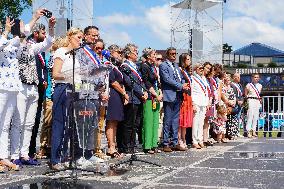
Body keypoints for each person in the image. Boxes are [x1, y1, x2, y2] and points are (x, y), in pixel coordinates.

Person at [0, 9, 52, 170]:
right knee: (14, 123)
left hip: (21, 87)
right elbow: (15, 38)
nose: (25, 27)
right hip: (10, 87)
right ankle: (12, 155)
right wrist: (8, 30)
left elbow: (47, 43)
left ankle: (15, 155)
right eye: (21, 24)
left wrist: (47, 25)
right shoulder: (10, 43)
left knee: (19, 124)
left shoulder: (24, 44)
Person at [50, 27, 84, 170]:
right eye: (78, 38)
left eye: (82, 38)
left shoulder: (75, 56)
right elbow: (55, 74)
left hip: (73, 90)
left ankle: (64, 156)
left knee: (70, 125)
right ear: (70, 36)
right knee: (60, 124)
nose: (80, 41)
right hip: (62, 89)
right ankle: (55, 159)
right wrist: (70, 76)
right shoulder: (61, 51)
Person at [117, 43, 148, 154]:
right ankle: (126, 146)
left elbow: (140, 81)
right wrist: (141, 93)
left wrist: (144, 92)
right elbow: (129, 82)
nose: (137, 53)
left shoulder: (135, 66)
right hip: (132, 97)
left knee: (136, 124)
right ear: (129, 54)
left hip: (139, 97)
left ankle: (132, 144)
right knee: (129, 123)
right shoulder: (125, 66)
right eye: (135, 51)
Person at [159, 47, 189, 152]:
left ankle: (175, 142)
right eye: (171, 53)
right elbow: (167, 79)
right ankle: (165, 143)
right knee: (168, 120)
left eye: (175, 53)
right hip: (169, 95)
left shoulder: (176, 65)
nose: (173, 55)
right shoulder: (163, 65)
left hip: (178, 95)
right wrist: (181, 86)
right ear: (167, 54)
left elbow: (180, 78)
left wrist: (184, 84)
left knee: (176, 120)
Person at [105, 44, 128, 158]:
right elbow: (113, 82)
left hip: (118, 96)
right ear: (111, 53)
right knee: (111, 120)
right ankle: (111, 147)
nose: (120, 54)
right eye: (118, 52)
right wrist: (124, 93)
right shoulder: (109, 65)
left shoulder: (116, 66)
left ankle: (113, 146)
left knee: (115, 122)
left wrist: (123, 94)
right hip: (113, 94)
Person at [140, 48, 163, 154]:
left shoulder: (153, 67)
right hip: (149, 95)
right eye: (154, 55)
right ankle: (147, 145)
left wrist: (160, 93)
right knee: (148, 121)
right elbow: (147, 82)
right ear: (148, 56)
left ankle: (154, 144)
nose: (155, 56)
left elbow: (158, 82)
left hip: (156, 94)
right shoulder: (144, 66)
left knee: (155, 121)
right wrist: (155, 94)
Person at [191, 63, 209, 149]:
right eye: (200, 68)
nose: (201, 70)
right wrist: (193, 103)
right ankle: (195, 141)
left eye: (202, 68)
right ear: (195, 69)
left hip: (203, 103)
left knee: (201, 123)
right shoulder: (193, 78)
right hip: (196, 102)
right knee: (196, 122)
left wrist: (207, 102)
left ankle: (200, 140)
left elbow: (206, 91)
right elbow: (191, 92)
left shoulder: (204, 78)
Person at [178, 53, 193, 149]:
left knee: (186, 121)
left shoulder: (187, 71)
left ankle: (184, 139)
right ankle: (179, 140)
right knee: (181, 120)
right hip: (182, 96)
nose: (189, 61)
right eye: (188, 59)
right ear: (183, 60)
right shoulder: (180, 70)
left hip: (188, 96)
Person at [244, 73, 262, 138]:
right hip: (251, 100)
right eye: (255, 77)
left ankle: (254, 131)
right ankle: (248, 131)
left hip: (257, 101)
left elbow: (259, 94)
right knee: (250, 116)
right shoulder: (249, 85)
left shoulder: (260, 85)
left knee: (256, 116)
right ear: (252, 78)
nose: (256, 78)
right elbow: (245, 94)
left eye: (257, 77)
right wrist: (247, 100)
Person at [231, 73, 244, 137]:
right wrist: (237, 101)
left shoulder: (240, 85)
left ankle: (238, 131)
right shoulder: (231, 84)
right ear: (234, 77)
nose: (239, 78)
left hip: (240, 104)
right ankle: (234, 132)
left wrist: (241, 100)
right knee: (234, 118)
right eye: (238, 77)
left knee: (238, 118)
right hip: (235, 103)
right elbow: (233, 94)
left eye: (239, 77)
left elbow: (241, 94)